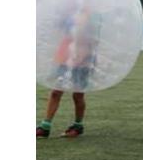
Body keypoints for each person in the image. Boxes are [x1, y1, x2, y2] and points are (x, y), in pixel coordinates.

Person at [37, 7, 99, 139]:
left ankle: (77, 126)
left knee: (78, 95)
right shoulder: (68, 11)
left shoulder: (92, 15)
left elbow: (93, 40)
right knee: (55, 92)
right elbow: (57, 29)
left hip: (83, 59)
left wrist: (87, 58)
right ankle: (45, 127)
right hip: (65, 57)